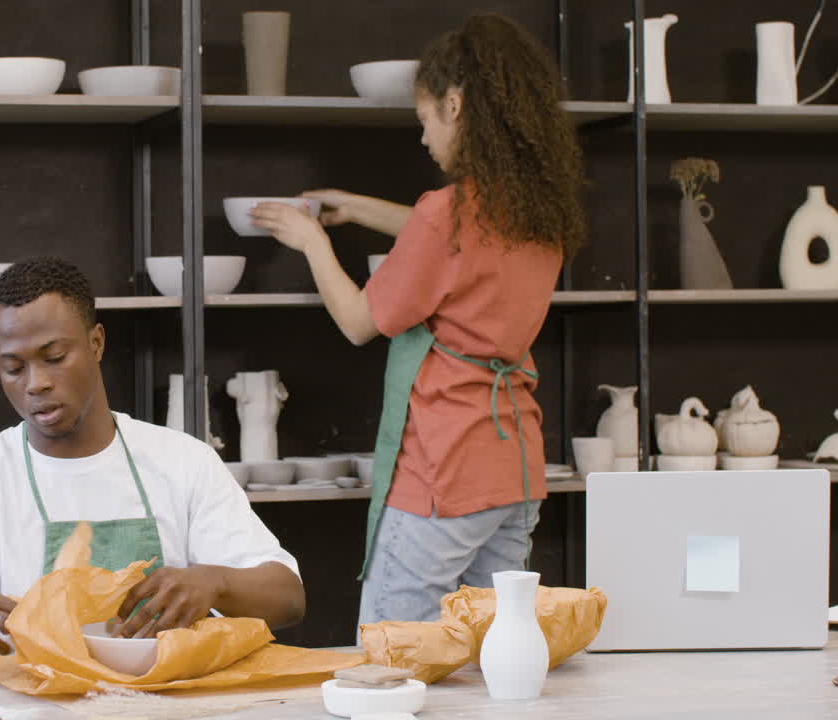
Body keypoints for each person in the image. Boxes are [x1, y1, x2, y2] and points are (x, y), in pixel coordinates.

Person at [250, 12, 586, 624]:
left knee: (392, 647)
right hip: (513, 469)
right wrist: (354, 207)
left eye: (425, 119)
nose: (424, 137)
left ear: (456, 106)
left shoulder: (447, 214)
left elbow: (357, 321)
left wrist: (311, 241)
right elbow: (448, 238)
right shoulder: (538, 214)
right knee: (495, 644)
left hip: (444, 468)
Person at [0, 257, 305, 667]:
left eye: (55, 358)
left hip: (162, 706)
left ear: (96, 342)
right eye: (13, 368)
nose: (36, 383)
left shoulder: (183, 462)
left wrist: (215, 582)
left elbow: (288, 598)